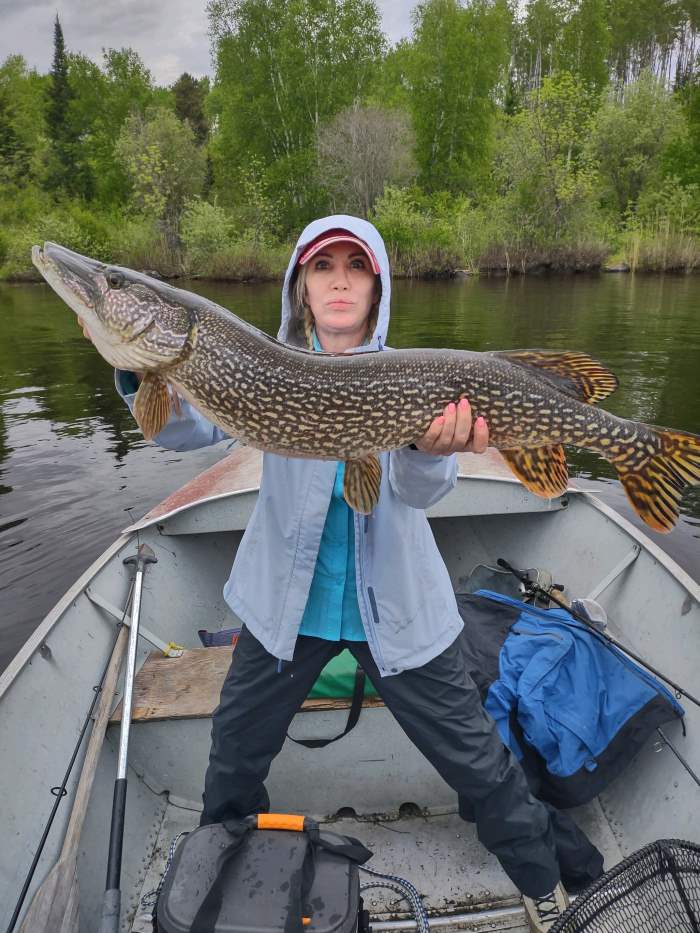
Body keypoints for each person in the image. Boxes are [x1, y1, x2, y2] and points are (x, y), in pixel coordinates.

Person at [84, 215, 588, 932]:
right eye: (325, 267)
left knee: (480, 762)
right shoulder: (253, 363)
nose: (342, 278)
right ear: (303, 287)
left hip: (400, 612)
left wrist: (424, 445)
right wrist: (134, 367)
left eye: (357, 265)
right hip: (286, 610)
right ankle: (219, 875)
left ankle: (541, 880)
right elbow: (179, 429)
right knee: (233, 756)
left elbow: (418, 493)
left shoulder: (417, 376)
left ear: (377, 287)